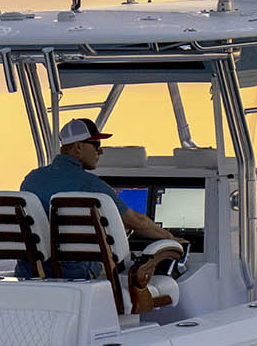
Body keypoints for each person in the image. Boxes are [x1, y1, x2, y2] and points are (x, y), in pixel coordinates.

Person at [19, 120, 181, 293]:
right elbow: (136, 222)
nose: (100, 151)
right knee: (122, 266)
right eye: (96, 145)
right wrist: (172, 240)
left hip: (30, 272)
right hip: (76, 274)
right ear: (78, 146)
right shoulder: (91, 185)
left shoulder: (31, 179)